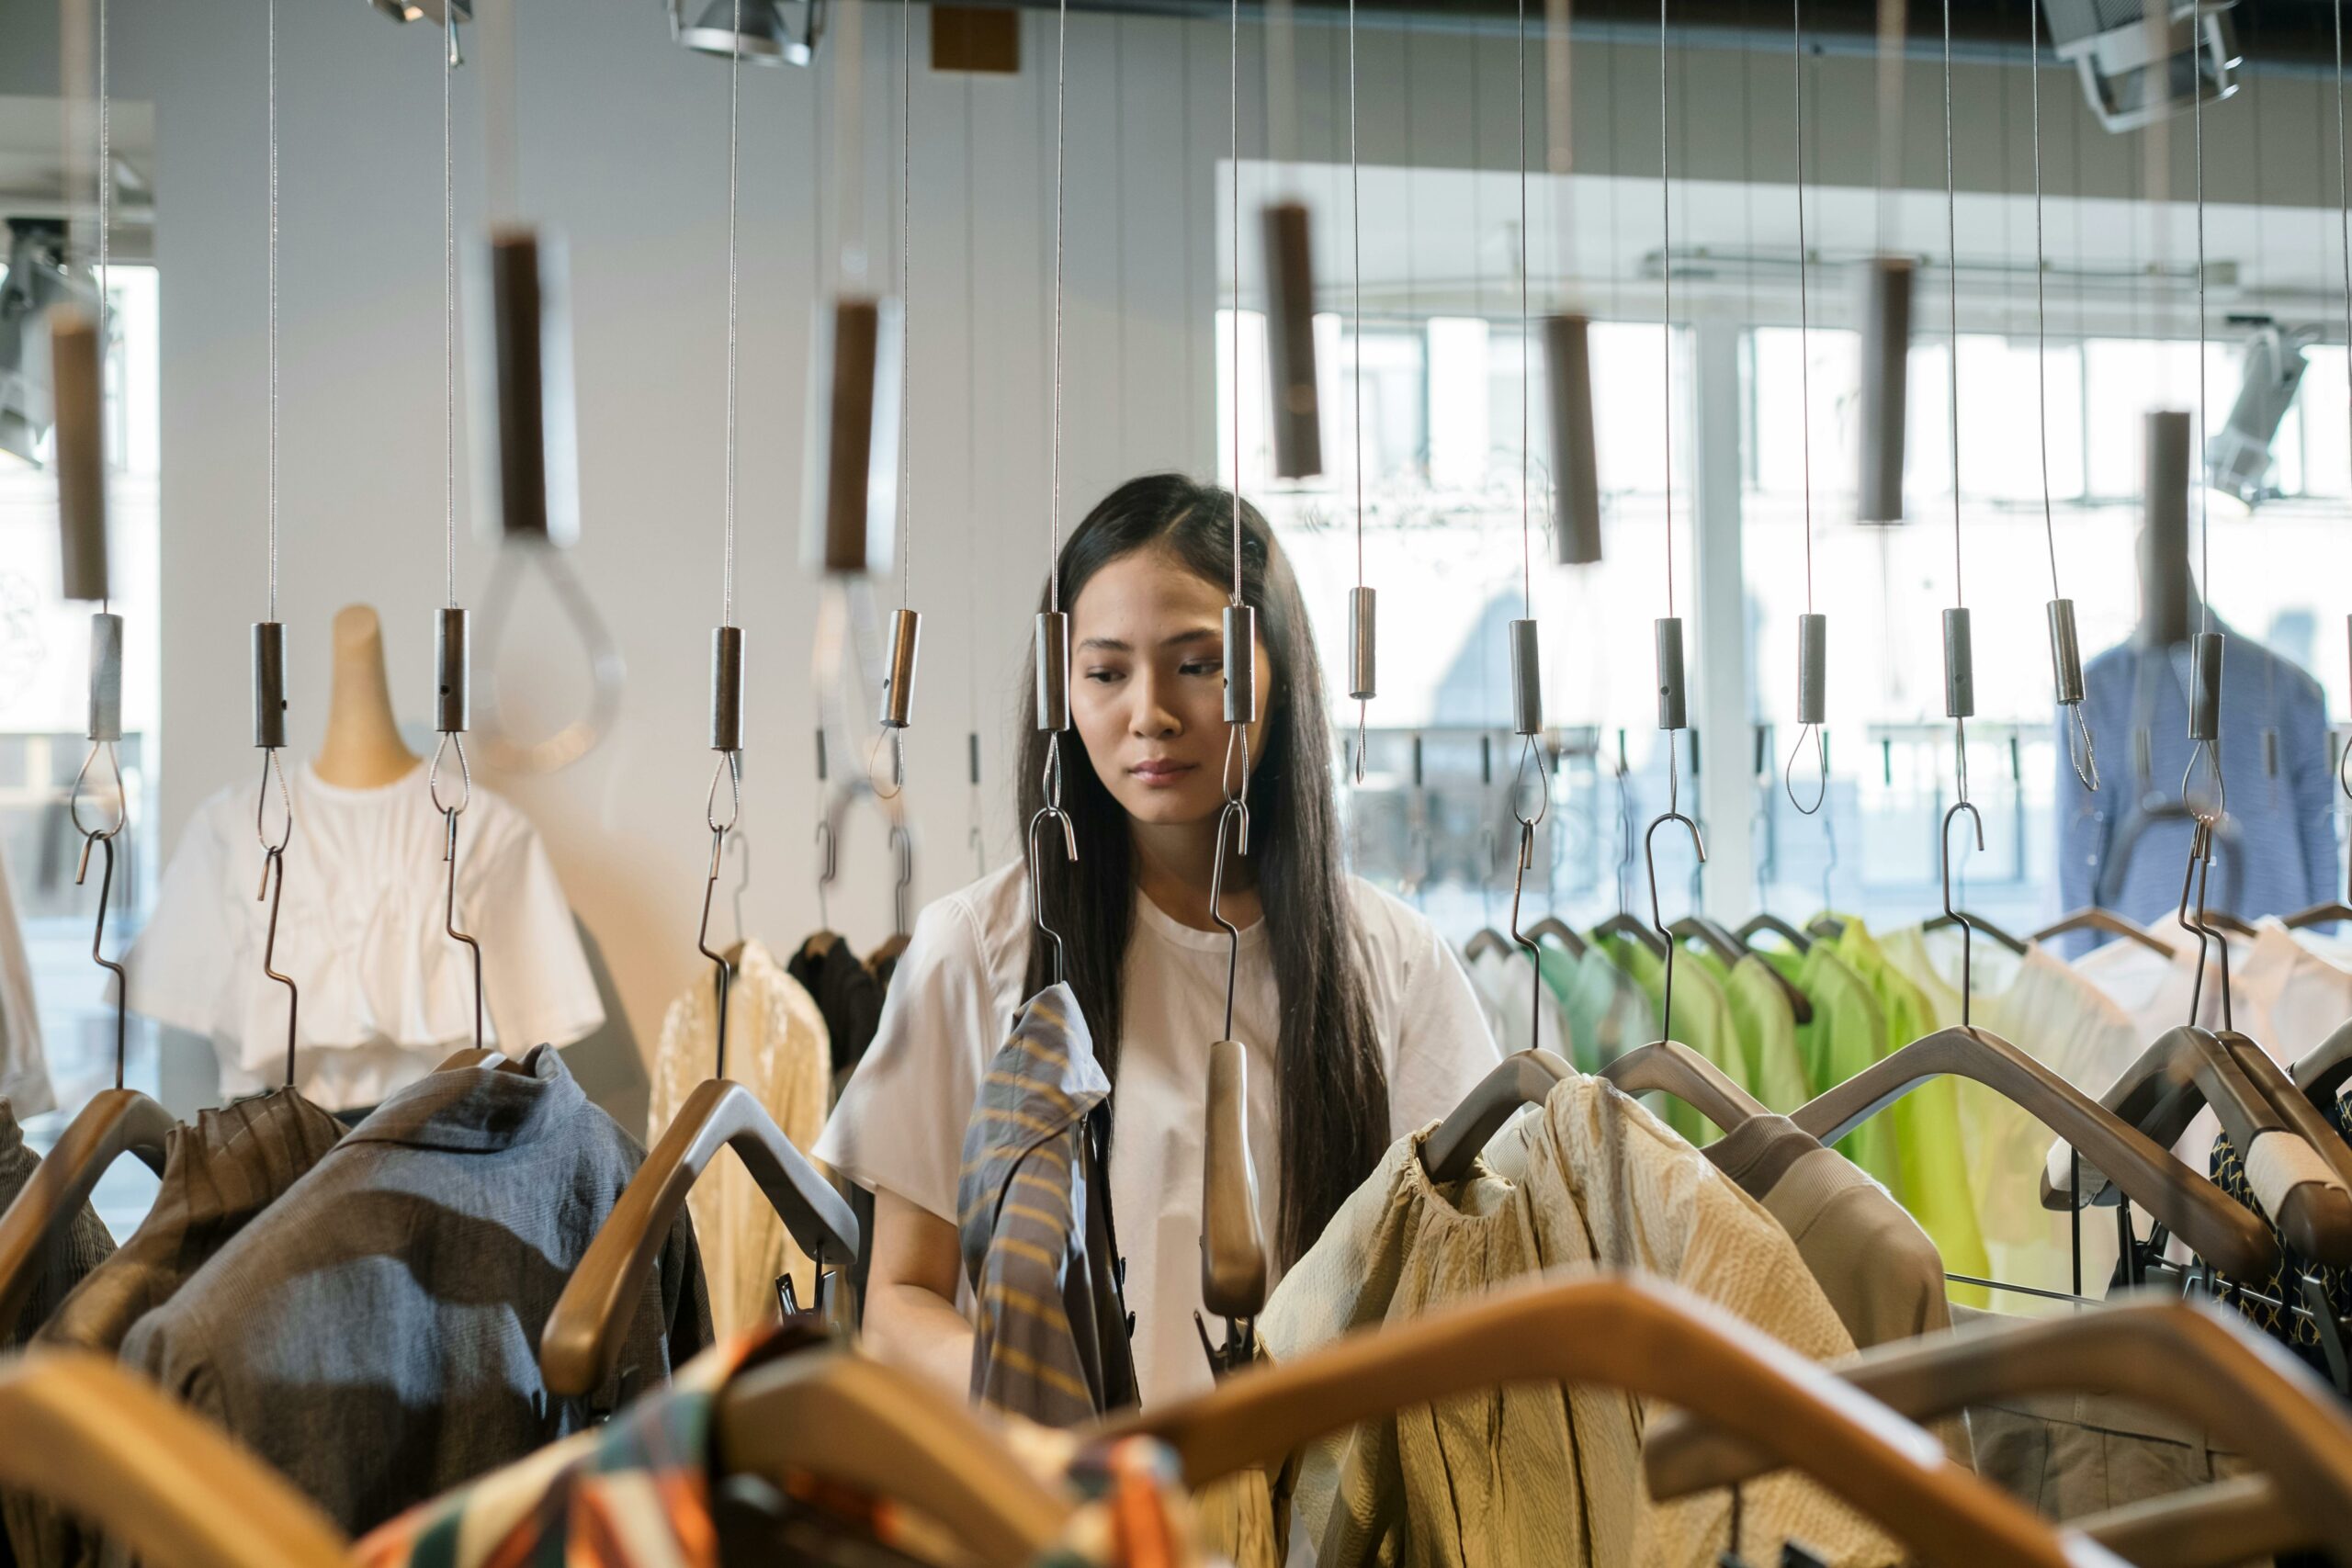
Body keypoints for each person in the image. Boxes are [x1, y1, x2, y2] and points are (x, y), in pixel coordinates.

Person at [816, 473, 1502, 1410]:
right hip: (1070, 1521)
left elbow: (1472, 1289)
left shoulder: (1396, 962)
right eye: (1105, 672)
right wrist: (1040, 1409)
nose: (1150, 713)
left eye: (1196, 663)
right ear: (1064, 688)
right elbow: (897, 1301)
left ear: (1280, 673)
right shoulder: (976, 948)